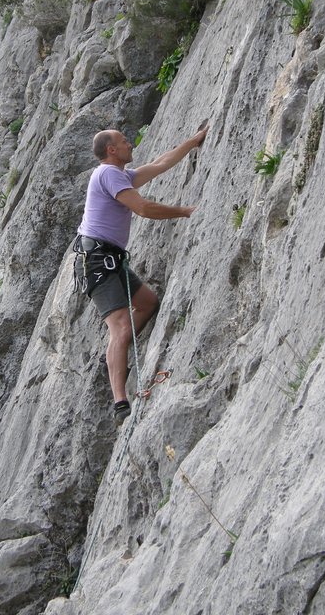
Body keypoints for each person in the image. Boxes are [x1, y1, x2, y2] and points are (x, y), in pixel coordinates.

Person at [74, 125, 208, 425]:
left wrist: (192, 141)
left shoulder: (120, 175)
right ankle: (120, 400)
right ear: (111, 150)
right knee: (121, 327)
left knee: (147, 303)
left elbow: (160, 164)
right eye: (124, 141)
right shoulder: (108, 174)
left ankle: (118, 349)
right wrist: (185, 212)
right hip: (97, 261)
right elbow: (143, 208)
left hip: (109, 259)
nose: (130, 144)